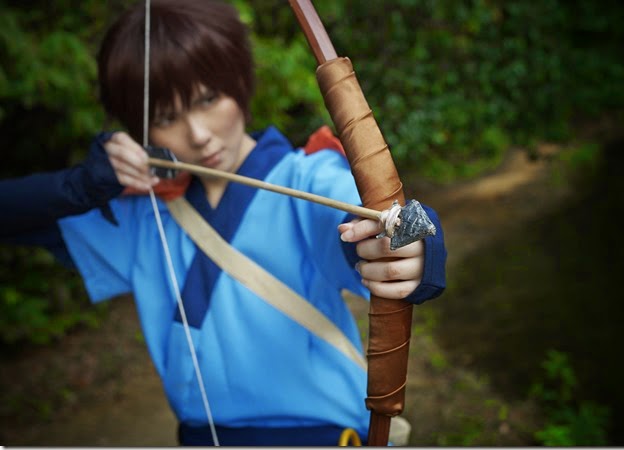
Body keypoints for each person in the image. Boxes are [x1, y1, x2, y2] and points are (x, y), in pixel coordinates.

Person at [1, 0, 447, 445]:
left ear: (240, 80)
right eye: (166, 118)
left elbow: (372, 215)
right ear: (141, 132)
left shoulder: (305, 177)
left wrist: (416, 243)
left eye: (208, 99)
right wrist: (78, 187)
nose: (198, 135)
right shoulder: (143, 214)